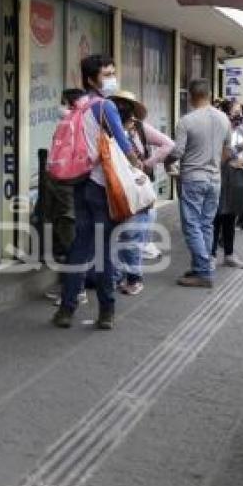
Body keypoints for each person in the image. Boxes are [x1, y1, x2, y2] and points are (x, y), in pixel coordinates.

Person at [52, 55, 141, 330]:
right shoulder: (105, 107)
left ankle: (67, 310)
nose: (112, 78)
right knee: (103, 251)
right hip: (102, 187)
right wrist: (139, 167)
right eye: (106, 74)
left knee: (80, 248)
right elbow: (125, 146)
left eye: (113, 72)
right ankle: (106, 311)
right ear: (91, 79)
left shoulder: (79, 106)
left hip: (78, 184)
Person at [110, 90, 174, 295]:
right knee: (125, 235)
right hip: (120, 186)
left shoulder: (137, 128)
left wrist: (146, 164)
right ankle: (121, 276)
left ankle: (133, 278)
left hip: (135, 187)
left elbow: (169, 144)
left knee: (131, 234)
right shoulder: (109, 128)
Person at [169, 80, 231, 287]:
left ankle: (203, 272)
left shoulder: (186, 121)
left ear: (190, 96)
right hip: (215, 179)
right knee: (206, 224)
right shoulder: (224, 118)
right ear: (210, 94)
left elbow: (177, 152)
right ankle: (200, 266)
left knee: (192, 225)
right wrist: (214, 166)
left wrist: (165, 161)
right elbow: (227, 151)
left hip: (193, 178)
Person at [43, 88, 89, 306]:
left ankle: (75, 290)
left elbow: (60, 161)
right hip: (76, 188)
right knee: (72, 238)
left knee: (70, 240)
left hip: (66, 188)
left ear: (69, 104)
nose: (58, 106)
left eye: (61, 102)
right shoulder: (82, 122)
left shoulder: (70, 124)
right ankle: (72, 287)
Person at [211, 100, 243, 268]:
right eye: (235, 111)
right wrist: (236, 155)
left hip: (237, 181)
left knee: (231, 217)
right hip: (220, 179)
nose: (239, 115)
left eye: (240, 112)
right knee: (216, 217)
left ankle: (229, 254)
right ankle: (211, 255)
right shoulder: (218, 133)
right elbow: (218, 157)